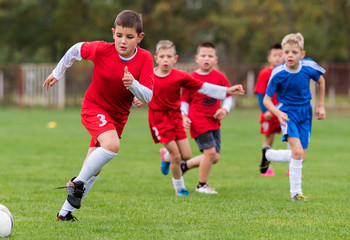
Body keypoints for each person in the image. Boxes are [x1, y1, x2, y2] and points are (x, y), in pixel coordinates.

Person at [43, 10, 154, 221]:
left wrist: (134, 86)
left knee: (94, 169)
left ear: (140, 37)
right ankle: (75, 184)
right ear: (113, 33)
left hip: (118, 118)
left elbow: (147, 95)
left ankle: (65, 213)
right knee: (111, 146)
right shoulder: (102, 49)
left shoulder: (145, 58)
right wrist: (57, 73)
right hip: (93, 108)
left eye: (129, 37)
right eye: (119, 35)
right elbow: (76, 50)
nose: (123, 41)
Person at [148, 40, 244, 196]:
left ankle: (167, 157)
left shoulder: (182, 76)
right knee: (180, 155)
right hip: (164, 119)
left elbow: (204, 87)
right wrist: (136, 99)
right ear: (156, 58)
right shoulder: (149, 75)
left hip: (181, 118)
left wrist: (228, 91)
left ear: (175, 58)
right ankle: (182, 188)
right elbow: (139, 89)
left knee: (188, 156)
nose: (166, 60)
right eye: (162, 56)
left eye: (169, 56)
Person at [261, 33, 326, 201]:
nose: (290, 55)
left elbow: (321, 81)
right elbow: (266, 100)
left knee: (300, 156)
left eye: (294, 52)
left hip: (306, 113)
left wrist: (320, 105)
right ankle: (295, 193)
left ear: (301, 54)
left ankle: (268, 155)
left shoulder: (309, 66)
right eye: (287, 52)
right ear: (282, 53)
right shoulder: (278, 73)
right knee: (296, 152)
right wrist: (278, 113)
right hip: (287, 114)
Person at [180, 42, 242, 194]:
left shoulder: (220, 77)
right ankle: (202, 185)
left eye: (210, 56)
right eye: (203, 55)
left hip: (214, 121)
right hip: (198, 120)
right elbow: (184, 100)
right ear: (196, 58)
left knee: (215, 157)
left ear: (216, 59)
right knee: (210, 153)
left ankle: (184, 166)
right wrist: (184, 116)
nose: (206, 59)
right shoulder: (192, 78)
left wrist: (224, 109)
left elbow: (229, 96)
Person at [254, 43, 284, 177]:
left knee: (291, 138)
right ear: (269, 58)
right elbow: (260, 93)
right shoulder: (265, 73)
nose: (278, 58)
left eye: (280, 55)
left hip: (284, 112)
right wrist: (264, 110)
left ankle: (292, 167)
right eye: (274, 55)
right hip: (269, 113)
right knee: (269, 139)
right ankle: (267, 166)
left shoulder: (286, 72)